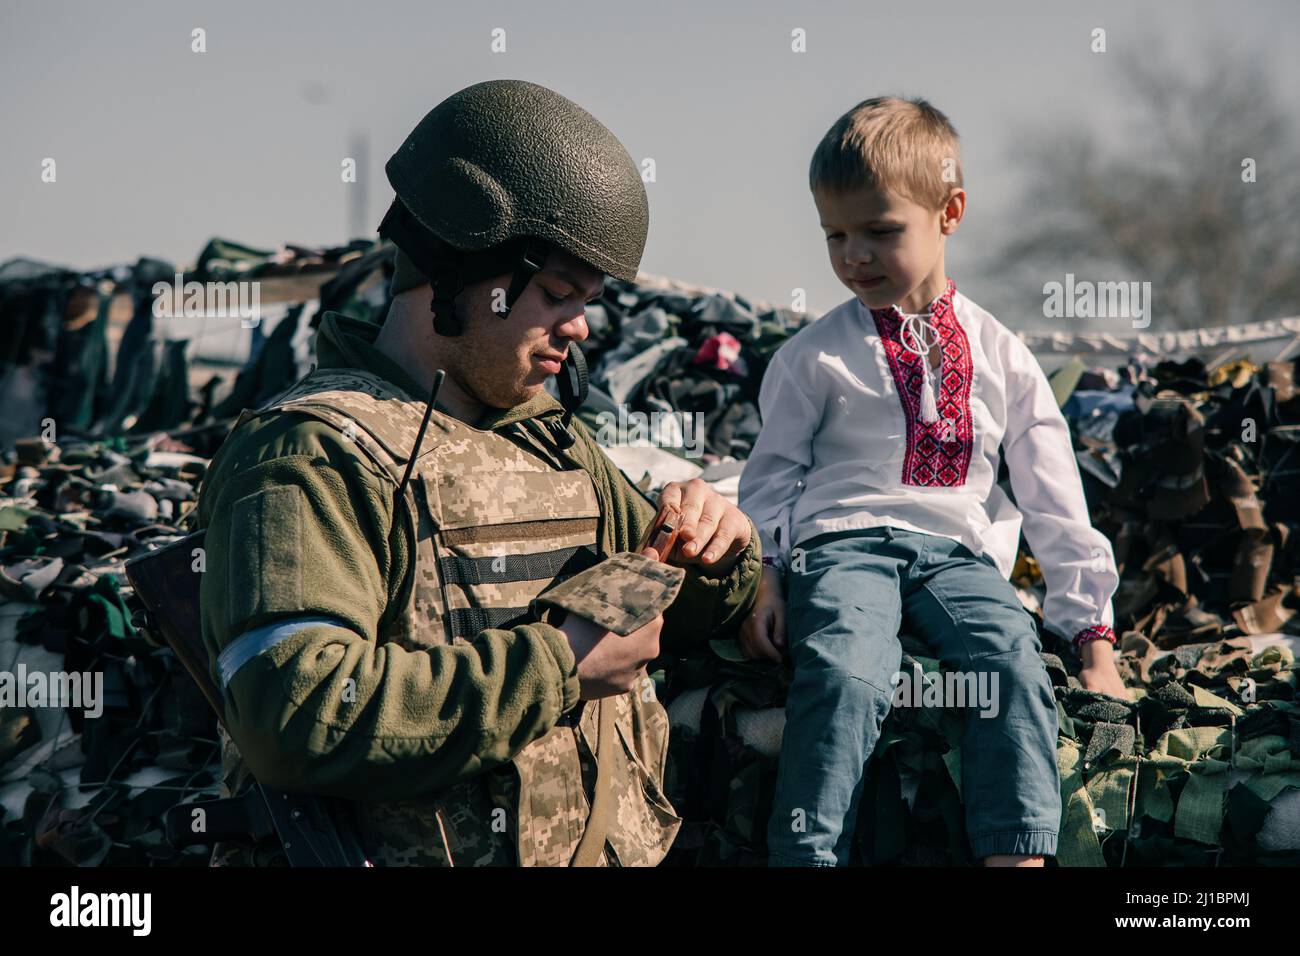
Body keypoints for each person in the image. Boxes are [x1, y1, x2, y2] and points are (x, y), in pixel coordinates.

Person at [195, 79, 761, 866]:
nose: (579, 325)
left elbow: (673, 610)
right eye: (556, 293)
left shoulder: (553, 442)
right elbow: (297, 712)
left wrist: (720, 553)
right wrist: (557, 666)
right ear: (457, 274)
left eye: (587, 299)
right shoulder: (310, 455)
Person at [737, 95, 1129, 868]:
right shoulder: (811, 356)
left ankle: (1015, 852)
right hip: (842, 546)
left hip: (957, 558)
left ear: (949, 212)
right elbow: (771, 481)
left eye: (881, 232)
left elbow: (1054, 494)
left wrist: (1094, 638)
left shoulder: (1001, 354)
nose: (855, 256)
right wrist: (765, 582)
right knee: (848, 672)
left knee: (1010, 662)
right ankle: (808, 854)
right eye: (835, 236)